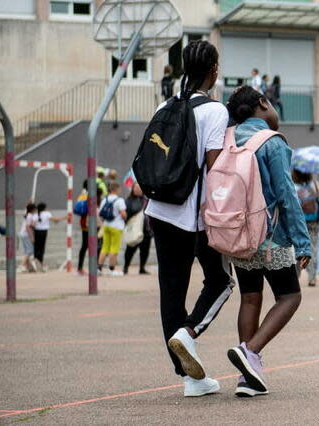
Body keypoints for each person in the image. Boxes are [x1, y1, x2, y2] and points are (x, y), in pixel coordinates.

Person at [146, 40, 234, 397]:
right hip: (192, 216)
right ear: (213, 70)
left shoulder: (165, 105)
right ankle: (189, 333)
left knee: (171, 291)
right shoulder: (215, 111)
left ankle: (189, 379)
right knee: (220, 282)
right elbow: (215, 168)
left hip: (159, 210)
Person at [221, 85, 311, 397]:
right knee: (289, 297)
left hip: (236, 232)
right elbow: (287, 196)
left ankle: (247, 378)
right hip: (271, 236)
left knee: (250, 297)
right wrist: (303, 242)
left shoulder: (227, 139)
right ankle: (251, 352)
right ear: (262, 104)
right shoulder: (272, 143)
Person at [293, 170, 319, 286]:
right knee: (313, 248)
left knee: (297, 248)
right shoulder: (315, 185)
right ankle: (312, 277)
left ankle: (296, 276)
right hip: (314, 221)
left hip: (298, 221)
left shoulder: (292, 186)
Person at [97, 183, 127, 276]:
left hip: (106, 225)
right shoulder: (120, 200)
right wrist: (125, 217)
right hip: (117, 227)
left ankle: (99, 269)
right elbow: (123, 214)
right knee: (114, 248)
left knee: (104, 247)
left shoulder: (104, 199)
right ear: (117, 189)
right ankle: (111, 269)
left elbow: (101, 213)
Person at [123, 182, 152, 275]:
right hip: (135, 229)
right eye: (136, 188)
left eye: (139, 188)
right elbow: (127, 213)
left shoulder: (147, 200)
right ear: (132, 189)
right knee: (130, 250)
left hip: (146, 230)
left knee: (145, 251)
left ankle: (142, 268)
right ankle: (126, 267)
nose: (138, 189)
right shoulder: (128, 200)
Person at [32, 202, 63, 271]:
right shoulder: (47, 214)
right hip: (43, 232)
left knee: (36, 247)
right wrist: (64, 218)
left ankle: (36, 262)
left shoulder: (35, 215)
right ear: (44, 208)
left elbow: (33, 224)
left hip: (36, 232)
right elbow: (55, 220)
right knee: (41, 248)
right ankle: (40, 262)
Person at [19, 203, 38, 272]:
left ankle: (29, 267)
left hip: (23, 234)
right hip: (26, 234)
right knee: (30, 251)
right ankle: (22, 265)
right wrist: (32, 237)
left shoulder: (28, 215)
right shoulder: (30, 216)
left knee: (27, 251)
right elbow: (28, 228)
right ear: (33, 209)